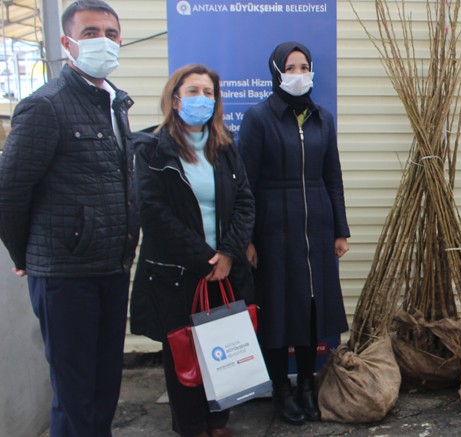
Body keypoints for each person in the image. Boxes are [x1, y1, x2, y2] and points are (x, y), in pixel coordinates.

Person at [0, 1, 138, 435]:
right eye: (91, 32)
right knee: (75, 395)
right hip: (65, 274)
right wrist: (25, 254)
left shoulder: (114, 103)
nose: (103, 41)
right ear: (67, 43)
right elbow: (10, 190)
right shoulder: (46, 106)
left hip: (111, 268)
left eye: (111, 34)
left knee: (103, 388)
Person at [129, 64, 255, 437]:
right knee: (183, 353)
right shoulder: (151, 148)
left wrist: (229, 253)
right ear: (175, 98)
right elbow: (152, 211)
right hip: (177, 272)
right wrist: (205, 258)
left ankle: (218, 422)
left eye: (208, 92)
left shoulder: (227, 147)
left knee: (224, 346)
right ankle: (191, 427)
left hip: (226, 268)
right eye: (193, 91)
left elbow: (246, 201)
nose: (202, 98)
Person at [238, 41, 350, 425]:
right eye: (291, 67)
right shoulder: (259, 118)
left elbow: (332, 177)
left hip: (316, 227)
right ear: (276, 71)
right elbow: (246, 184)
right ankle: (280, 390)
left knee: (310, 308)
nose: (299, 74)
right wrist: (247, 239)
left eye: (304, 67)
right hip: (273, 228)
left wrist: (340, 230)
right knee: (277, 311)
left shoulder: (323, 118)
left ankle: (306, 385)